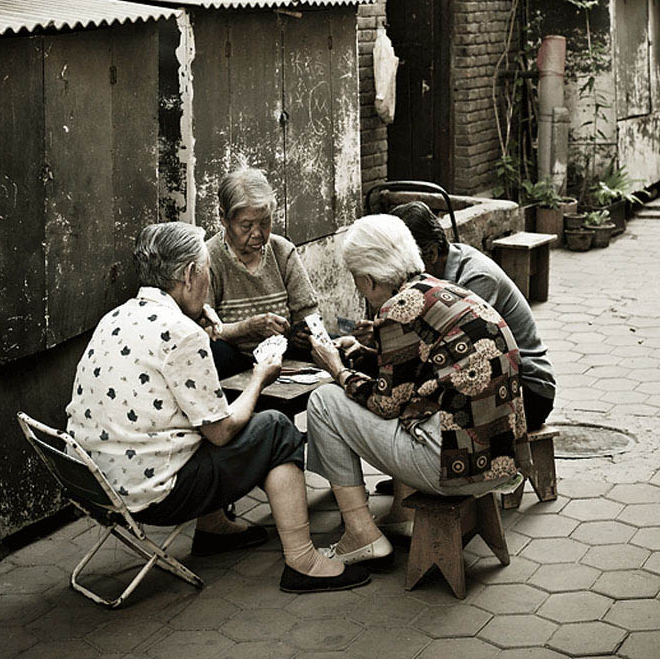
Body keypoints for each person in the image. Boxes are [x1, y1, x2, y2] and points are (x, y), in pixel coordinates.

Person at [66, 221, 369, 594]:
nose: (208, 279)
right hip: (152, 495)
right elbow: (221, 432)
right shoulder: (181, 333)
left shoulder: (115, 317)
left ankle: (213, 530)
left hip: (93, 484)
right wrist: (261, 375)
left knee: (202, 412)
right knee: (275, 429)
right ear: (191, 274)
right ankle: (303, 562)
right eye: (206, 268)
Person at [305, 214, 532, 566]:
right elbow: (421, 372)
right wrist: (367, 356)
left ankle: (361, 535)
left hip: (457, 468)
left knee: (323, 401)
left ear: (367, 277)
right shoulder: (444, 291)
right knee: (388, 402)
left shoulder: (398, 308)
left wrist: (335, 368)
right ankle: (398, 515)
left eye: (356, 279)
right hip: (500, 459)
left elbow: (385, 404)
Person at [391, 201, 556, 431]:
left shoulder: (476, 278)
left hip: (529, 391)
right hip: (499, 379)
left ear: (431, 253)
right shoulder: (442, 272)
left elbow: (457, 355)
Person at [206, 166, 319, 374]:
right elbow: (205, 330)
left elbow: (308, 312)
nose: (258, 233)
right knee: (213, 352)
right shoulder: (209, 259)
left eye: (265, 223)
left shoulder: (282, 251)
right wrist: (247, 329)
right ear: (224, 218)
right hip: (237, 363)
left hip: (284, 358)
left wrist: (301, 332)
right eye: (246, 226)